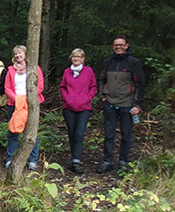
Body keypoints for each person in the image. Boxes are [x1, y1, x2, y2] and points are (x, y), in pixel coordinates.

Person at [97, 35, 145, 173]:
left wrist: (137, 104)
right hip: (110, 103)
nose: (118, 47)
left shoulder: (133, 62)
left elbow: (140, 84)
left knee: (126, 135)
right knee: (108, 134)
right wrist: (102, 96)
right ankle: (108, 161)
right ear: (113, 47)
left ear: (126, 46)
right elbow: (101, 79)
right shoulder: (108, 62)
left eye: (121, 44)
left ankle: (123, 161)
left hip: (127, 104)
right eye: (116, 45)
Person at [4, 45, 44, 170]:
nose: (18, 56)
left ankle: (32, 160)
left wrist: (28, 99)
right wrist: (17, 99)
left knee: (31, 132)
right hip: (14, 104)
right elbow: (7, 87)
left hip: (30, 104)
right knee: (13, 131)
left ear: (26, 54)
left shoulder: (35, 68)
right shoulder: (10, 70)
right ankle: (10, 159)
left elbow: (40, 86)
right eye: (15, 54)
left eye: (20, 53)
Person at [59, 48, 97, 174]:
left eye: (79, 57)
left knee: (80, 133)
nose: (76, 59)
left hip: (83, 108)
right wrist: (67, 98)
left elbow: (93, 87)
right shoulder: (67, 72)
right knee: (72, 133)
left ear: (83, 59)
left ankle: (76, 160)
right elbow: (63, 87)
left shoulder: (88, 71)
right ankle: (73, 157)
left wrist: (87, 98)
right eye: (74, 56)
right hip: (69, 107)